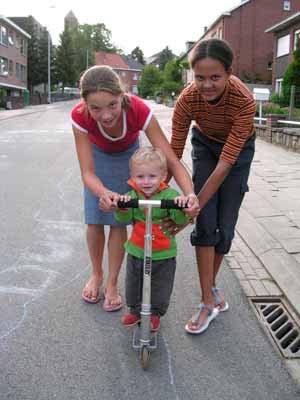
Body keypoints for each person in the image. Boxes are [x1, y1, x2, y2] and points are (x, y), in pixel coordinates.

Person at [70, 65, 199, 311]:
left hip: (127, 156)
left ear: (122, 96)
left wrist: (190, 194)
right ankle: (96, 274)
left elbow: (171, 159)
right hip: (97, 158)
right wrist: (103, 193)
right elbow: (87, 172)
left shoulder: (138, 109)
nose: (105, 115)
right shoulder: (79, 116)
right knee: (95, 219)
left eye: (112, 105)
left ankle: (111, 282)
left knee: (119, 220)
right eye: (95, 108)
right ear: (85, 103)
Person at [169, 38, 256, 334]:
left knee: (225, 228)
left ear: (229, 72)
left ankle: (211, 286)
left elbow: (225, 165)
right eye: (200, 77)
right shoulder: (187, 99)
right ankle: (207, 300)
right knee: (206, 226)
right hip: (205, 143)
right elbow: (173, 153)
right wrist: (158, 194)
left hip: (237, 153)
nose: (206, 85)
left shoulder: (243, 101)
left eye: (215, 77)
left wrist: (191, 209)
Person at [115, 147, 189, 331]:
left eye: (152, 176)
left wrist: (180, 208)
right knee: (133, 282)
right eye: (140, 177)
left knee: (161, 285)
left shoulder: (170, 196)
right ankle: (135, 310)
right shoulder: (132, 196)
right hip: (137, 250)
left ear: (163, 176)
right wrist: (122, 207)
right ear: (132, 176)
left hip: (163, 252)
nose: (146, 182)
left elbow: (179, 220)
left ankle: (155, 313)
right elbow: (123, 220)